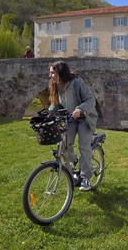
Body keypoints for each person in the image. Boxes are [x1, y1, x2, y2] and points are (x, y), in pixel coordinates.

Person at [48, 61, 98, 191]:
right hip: (70, 119)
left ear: (60, 72)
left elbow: (91, 100)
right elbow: (56, 104)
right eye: (50, 73)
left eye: (53, 72)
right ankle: (75, 162)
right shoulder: (57, 86)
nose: (51, 76)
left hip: (85, 118)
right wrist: (49, 113)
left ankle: (85, 178)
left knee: (84, 146)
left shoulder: (76, 83)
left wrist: (80, 110)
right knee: (63, 144)